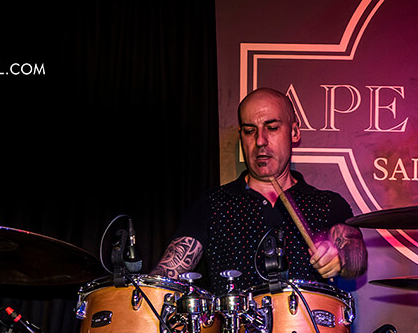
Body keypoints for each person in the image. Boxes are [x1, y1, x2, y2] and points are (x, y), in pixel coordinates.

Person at [154, 88, 367, 288]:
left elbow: (357, 257)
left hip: (308, 316)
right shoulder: (213, 204)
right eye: (249, 131)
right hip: (236, 317)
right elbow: (164, 277)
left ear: (294, 132)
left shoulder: (328, 204)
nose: (260, 141)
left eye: (272, 128)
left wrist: (340, 258)